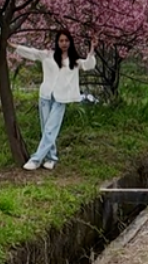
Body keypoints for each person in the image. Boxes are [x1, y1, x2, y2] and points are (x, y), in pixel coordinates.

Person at [11, 31, 97, 171]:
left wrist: (92, 50)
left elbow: (89, 65)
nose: (64, 43)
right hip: (45, 95)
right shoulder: (48, 55)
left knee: (50, 129)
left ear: (70, 42)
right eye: (61, 41)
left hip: (60, 98)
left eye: (66, 41)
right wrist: (14, 46)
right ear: (57, 42)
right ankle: (51, 158)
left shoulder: (74, 60)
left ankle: (36, 159)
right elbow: (32, 53)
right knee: (46, 129)